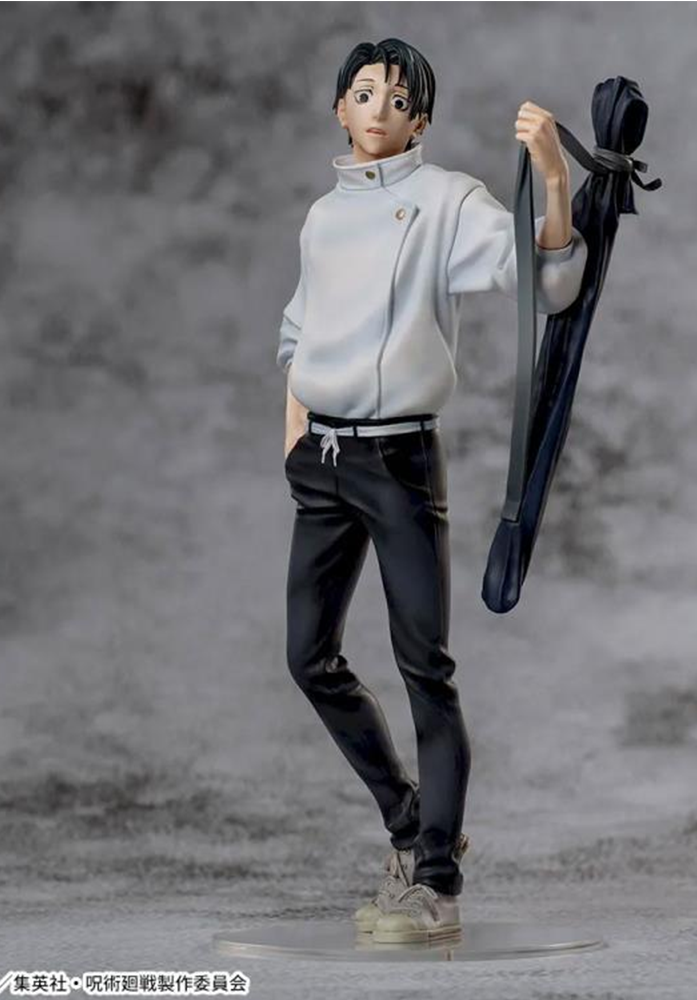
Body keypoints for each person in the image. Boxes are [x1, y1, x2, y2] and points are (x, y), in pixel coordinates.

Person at [277, 37, 587, 944]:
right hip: (323, 460)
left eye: (399, 98)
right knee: (308, 656)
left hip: (399, 460)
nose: (379, 107)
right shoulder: (322, 217)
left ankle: (437, 878)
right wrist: (294, 439)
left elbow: (546, 283)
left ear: (420, 122)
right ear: (340, 107)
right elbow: (298, 329)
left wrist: (553, 178)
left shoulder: (447, 200)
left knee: (425, 666)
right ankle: (412, 821)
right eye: (364, 92)